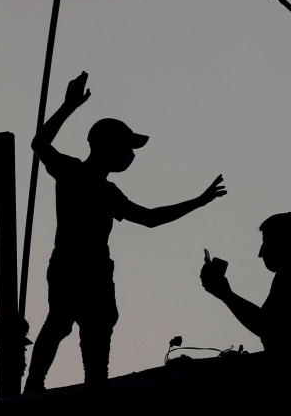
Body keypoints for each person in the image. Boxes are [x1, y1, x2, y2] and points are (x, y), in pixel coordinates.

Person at [24, 72, 227, 393]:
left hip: (97, 272)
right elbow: (39, 143)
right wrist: (68, 106)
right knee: (60, 322)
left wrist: (199, 202)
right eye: (124, 146)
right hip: (69, 265)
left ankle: (94, 391)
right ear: (107, 146)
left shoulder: (109, 192)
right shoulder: (73, 171)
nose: (128, 154)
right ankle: (34, 385)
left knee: (96, 335)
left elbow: (149, 218)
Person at [200, 212, 291, 349]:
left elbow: (268, 326)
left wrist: (226, 294)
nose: (262, 253)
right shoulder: (285, 279)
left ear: (287, 246)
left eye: (269, 243)